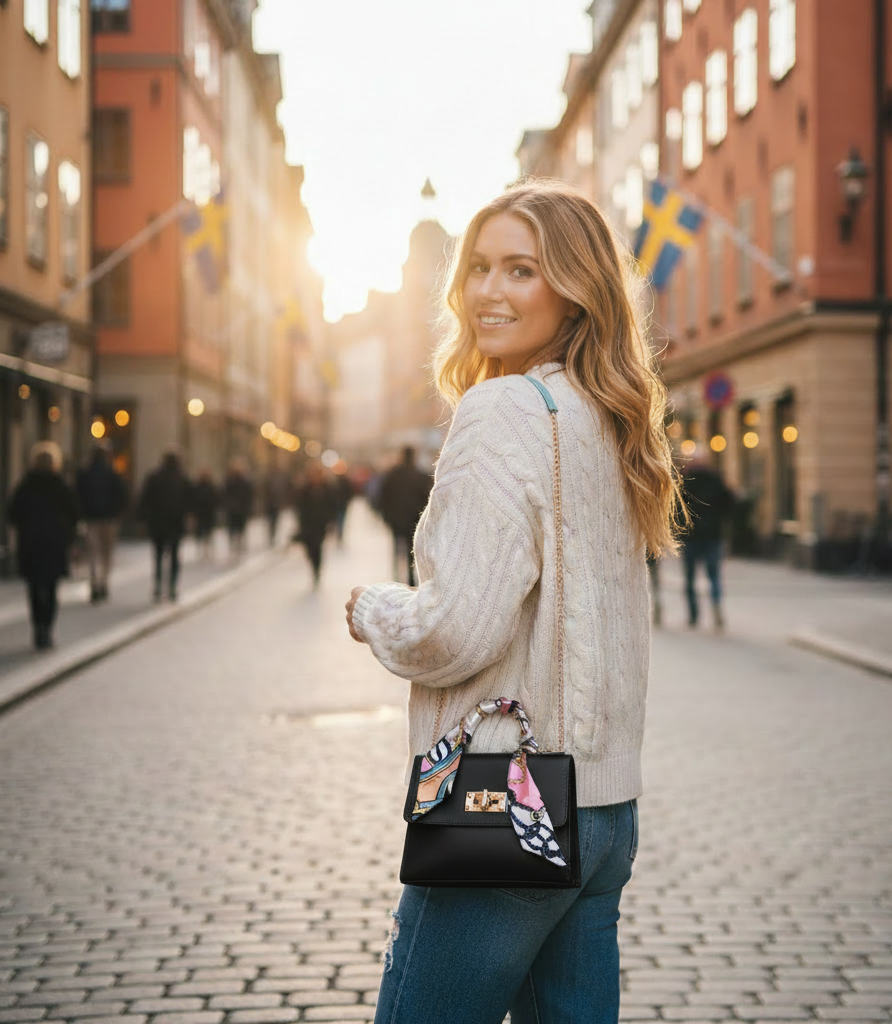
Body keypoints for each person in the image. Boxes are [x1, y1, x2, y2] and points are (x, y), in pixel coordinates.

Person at [344, 181, 678, 1024]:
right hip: (605, 810)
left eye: (522, 270)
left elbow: (459, 628)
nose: (488, 291)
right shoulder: (610, 418)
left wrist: (377, 610)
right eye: (479, 268)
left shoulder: (502, 411)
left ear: (574, 289)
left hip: (510, 806)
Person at [7, 441, 80, 650]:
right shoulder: (61, 485)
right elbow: (74, 513)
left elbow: (12, 513)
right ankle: (47, 629)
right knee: (51, 586)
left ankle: (37, 627)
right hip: (55, 544)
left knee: (33, 587)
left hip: (31, 543)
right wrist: (68, 535)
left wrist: (25, 526)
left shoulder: (26, 485)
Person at [678, 446, 735, 630]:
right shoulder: (716, 478)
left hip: (692, 536)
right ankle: (716, 604)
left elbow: (677, 508)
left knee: (690, 578)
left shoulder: (685, 480)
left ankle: (694, 615)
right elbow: (729, 503)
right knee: (714, 575)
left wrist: (680, 528)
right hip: (712, 535)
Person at [75, 441, 127, 602]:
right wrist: (119, 513)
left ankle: (95, 581)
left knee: (93, 553)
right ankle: (103, 582)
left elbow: (77, 496)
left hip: (90, 519)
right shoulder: (112, 474)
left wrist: (80, 515)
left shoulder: (84, 474)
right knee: (106, 553)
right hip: (109, 519)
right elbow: (122, 495)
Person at [138, 449, 192, 602]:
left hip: (158, 522)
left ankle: (158, 585)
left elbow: (145, 499)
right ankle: (172, 587)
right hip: (175, 522)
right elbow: (189, 500)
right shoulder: (182, 478)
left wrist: (143, 519)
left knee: (158, 555)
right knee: (174, 555)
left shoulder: (155, 477)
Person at [377, 446, 433, 585]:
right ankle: (410, 578)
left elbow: (383, 497)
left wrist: (387, 516)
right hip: (414, 519)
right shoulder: (420, 475)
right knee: (411, 549)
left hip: (396, 519)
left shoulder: (392, 475)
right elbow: (427, 499)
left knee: (396, 547)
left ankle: (396, 576)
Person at [295, 463, 336, 585]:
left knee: (318, 547)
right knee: (309, 547)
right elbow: (299, 506)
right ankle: (313, 565)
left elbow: (332, 505)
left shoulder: (327, 488)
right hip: (307, 524)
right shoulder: (305, 489)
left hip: (320, 524)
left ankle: (317, 569)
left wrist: (330, 521)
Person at [223, 459, 254, 559]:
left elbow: (249, 496)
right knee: (232, 528)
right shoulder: (229, 481)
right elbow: (225, 494)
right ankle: (234, 545)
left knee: (240, 528)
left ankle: (239, 544)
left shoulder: (245, 482)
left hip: (241, 510)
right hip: (232, 509)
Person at [191, 468, 220, 560]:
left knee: (207, 531)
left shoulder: (211, 486)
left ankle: (206, 548)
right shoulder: (197, 486)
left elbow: (216, 499)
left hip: (208, 512)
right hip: (202, 512)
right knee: (202, 531)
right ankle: (202, 548)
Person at [333, 464, 356, 544]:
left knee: (340, 520)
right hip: (338, 505)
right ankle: (338, 533)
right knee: (339, 520)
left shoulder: (343, 482)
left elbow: (350, 492)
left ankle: (339, 533)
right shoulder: (335, 482)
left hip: (341, 505)